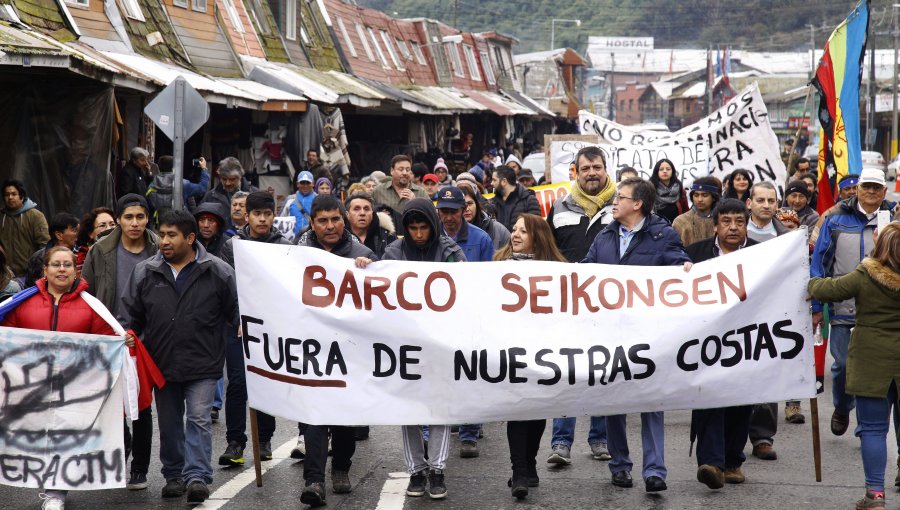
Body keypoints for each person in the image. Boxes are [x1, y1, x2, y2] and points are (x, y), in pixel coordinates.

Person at [121, 210, 238, 505]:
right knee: (170, 423)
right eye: (162, 235)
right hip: (161, 364)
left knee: (198, 419)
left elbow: (235, 311)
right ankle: (173, 475)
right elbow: (131, 316)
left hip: (204, 362)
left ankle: (197, 477)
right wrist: (126, 337)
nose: (164, 241)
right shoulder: (146, 271)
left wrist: (242, 328)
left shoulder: (218, 271)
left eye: (172, 235)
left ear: (190, 238)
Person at [583, 177, 691, 493]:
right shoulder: (603, 237)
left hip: (648, 335)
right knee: (614, 401)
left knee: (650, 401)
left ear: (638, 204)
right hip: (611, 335)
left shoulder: (663, 235)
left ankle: (655, 471)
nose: (614, 201)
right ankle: (619, 466)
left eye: (621, 197)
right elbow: (585, 275)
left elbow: (681, 269)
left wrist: (685, 269)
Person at [2, 246, 121, 510]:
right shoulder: (24, 302)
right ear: (45, 270)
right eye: (56, 265)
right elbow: (7, 336)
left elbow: (106, 340)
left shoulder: (91, 306)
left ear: (75, 270)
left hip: (75, 387)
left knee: (64, 436)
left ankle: (56, 492)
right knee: (34, 436)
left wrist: (123, 343)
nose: (62, 270)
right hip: (32, 385)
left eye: (68, 265)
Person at [807, 222, 900, 510]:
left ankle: (875, 495)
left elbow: (828, 289)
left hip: (870, 360)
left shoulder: (865, 275)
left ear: (881, 245)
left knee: (872, 429)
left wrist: (809, 282)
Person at [381, 198, 466, 500]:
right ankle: (416, 470)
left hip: (440, 343)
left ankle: (438, 469)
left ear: (433, 226)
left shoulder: (451, 253)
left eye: (423, 228)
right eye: (412, 228)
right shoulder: (393, 253)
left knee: (439, 406)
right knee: (410, 409)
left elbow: (466, 293)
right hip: (405, 344)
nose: (418, 234)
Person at [296, 195, 377, 506]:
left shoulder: (363, 253)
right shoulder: (295, 255)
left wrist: (368, 271)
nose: (330, 226)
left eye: (335, 219)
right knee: (315, 413)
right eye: (323, 221)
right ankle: (314, 480)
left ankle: (341, 466)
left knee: (343, 418)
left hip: (348, 351)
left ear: (344, 220)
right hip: (311, 349)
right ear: (312, 224)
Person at [82, 193, 158, 491]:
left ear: (147, 219)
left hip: (145, 338)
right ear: (119, 220)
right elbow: (86, 293)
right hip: (109, 339)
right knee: (112, 405)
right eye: (129, 217)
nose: (135, 223)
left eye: (140, 217)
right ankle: (120, 454)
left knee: (141, 405)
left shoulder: (158, 247)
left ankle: (139, 468)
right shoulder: (100, 251)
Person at [811, 168, 895, 440]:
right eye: (866, 187)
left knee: (875, 372)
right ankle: (843, 405)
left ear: (884, 191)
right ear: (857, 189)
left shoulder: (893, 219)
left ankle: (867, 424)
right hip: (843, 306)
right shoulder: (835, 218)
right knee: (843, 365)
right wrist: (816, 308)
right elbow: (819, 264)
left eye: (876, 188)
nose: (871, 192)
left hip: (882, 312)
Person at [545, 146, 616, 464]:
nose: (591, 173)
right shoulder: (559, 207)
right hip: (568, 306)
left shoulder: (622, 206)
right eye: (585, 168)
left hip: (609, 307)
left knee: (602, 373)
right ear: (575, 171)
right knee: (566, 372)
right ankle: (561, 443)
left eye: (596, 167)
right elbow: (548, 252)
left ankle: (600, 439)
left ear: (605, 169)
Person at [685, 199, 758, 490]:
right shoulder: (695, 254)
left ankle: (732, 461)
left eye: (739, 222)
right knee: (708, 397)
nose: (733, 227)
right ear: (715, 224)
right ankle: (711, 463)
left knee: (741, 401)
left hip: (746, 340)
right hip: (705, 342)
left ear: (746, 224)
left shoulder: (762, 254)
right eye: (726, 221)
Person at [494, 213, 566, 499]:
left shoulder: (558, 269)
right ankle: (519, 472)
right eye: (514, 229)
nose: (515, 234)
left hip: (545, 350)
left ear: (538, 235)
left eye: (523, 231)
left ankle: (530, 462)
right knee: (518, 409)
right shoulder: (498, 266)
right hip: (511, 349)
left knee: (537, 411)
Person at [219, 192, 293, 465]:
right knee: (238, 383)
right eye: (257, 214)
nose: (262, 219)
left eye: (267, 214)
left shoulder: (283, 244)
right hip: (237, 325)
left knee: (266, 381)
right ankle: (235, 442)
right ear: (246, 215)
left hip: (270, 325)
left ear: (273, 215)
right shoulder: (233, 246)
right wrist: (239, 319)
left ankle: (264, 439)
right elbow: (231, 286)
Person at [0, 179, 50, 276]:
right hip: (5, 275)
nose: (10, 197)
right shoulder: (1, 216)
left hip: (28, 274)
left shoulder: (35, 216)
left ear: (21, 196)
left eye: (14, 194)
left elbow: (45, 245)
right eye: (7, 195)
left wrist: (37, 269)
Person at [145, 156, 210, 227]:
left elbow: (149, 206)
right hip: (180, 224)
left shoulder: (151, 185)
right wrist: (204, 169)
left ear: (159, 167)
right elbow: (202, 188)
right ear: (175, 168)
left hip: (160, 223)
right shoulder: (182, 183)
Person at [437, 187, 493, 263]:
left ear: (464, 209)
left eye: (454, 212)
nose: (449, 218)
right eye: (444, 212)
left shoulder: (482, 239)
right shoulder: (431, 238)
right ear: (438, 211)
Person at [24, 212, 79, 288]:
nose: (77, 234)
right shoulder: (39, 258)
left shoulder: (81, 254)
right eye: (74, 230)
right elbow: (32, 288)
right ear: (59, 235)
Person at [372, 155, 429, 227]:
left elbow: (431, 216)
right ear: (392, 171)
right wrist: (379, 215)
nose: (405, 173)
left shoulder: (421, 192)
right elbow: (369, 214)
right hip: (387, 236)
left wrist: (415, 203)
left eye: (408, 170)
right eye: (401, 169)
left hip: (412, 235)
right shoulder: (378, 191)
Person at [672, 177, 722, 246]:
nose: (699, 199)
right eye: (696, 195)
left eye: (705, 195)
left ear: (713, 197)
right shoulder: (680, 222)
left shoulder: (722, 220)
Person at [345, 192, 396, 259]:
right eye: (356, 209)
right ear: (347, 214)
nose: (362, 213)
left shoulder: (386, 235)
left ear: (372, 213)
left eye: (366, 209)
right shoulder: (340, 236)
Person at [489, 165, 541, 231]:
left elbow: (535, 229)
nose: (491, 183)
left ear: (504, 181)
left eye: (494, 180)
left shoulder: (529, 200)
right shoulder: (493, 203)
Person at [460, 186, 510, 251]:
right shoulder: (447, 232)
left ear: (476, 205)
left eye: (470, 203)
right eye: (463, 204)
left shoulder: (497, 229)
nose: (467, 209)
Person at [75, 207, 116, 274]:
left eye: (112, 224)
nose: (109, 228)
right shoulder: (82, 257)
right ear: (90, 233)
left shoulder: (124, 250)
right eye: (102, 225)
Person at [649, 158, 688, 223]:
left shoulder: (679, 187)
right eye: (661, 169)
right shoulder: (650, 189)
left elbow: (685, 211)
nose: (665, 171)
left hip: (677, 226)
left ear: (672, 171)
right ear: (656, 171)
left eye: (668, 169)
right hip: (656, 227)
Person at [280, 171, 316, 236]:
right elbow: (280, 220)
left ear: (313, 184)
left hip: (311, 240)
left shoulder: (318, 200)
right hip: (291, 241)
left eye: (308, 183)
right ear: (297, 184)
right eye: (302, 183)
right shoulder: (289, 199)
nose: (305, 186)